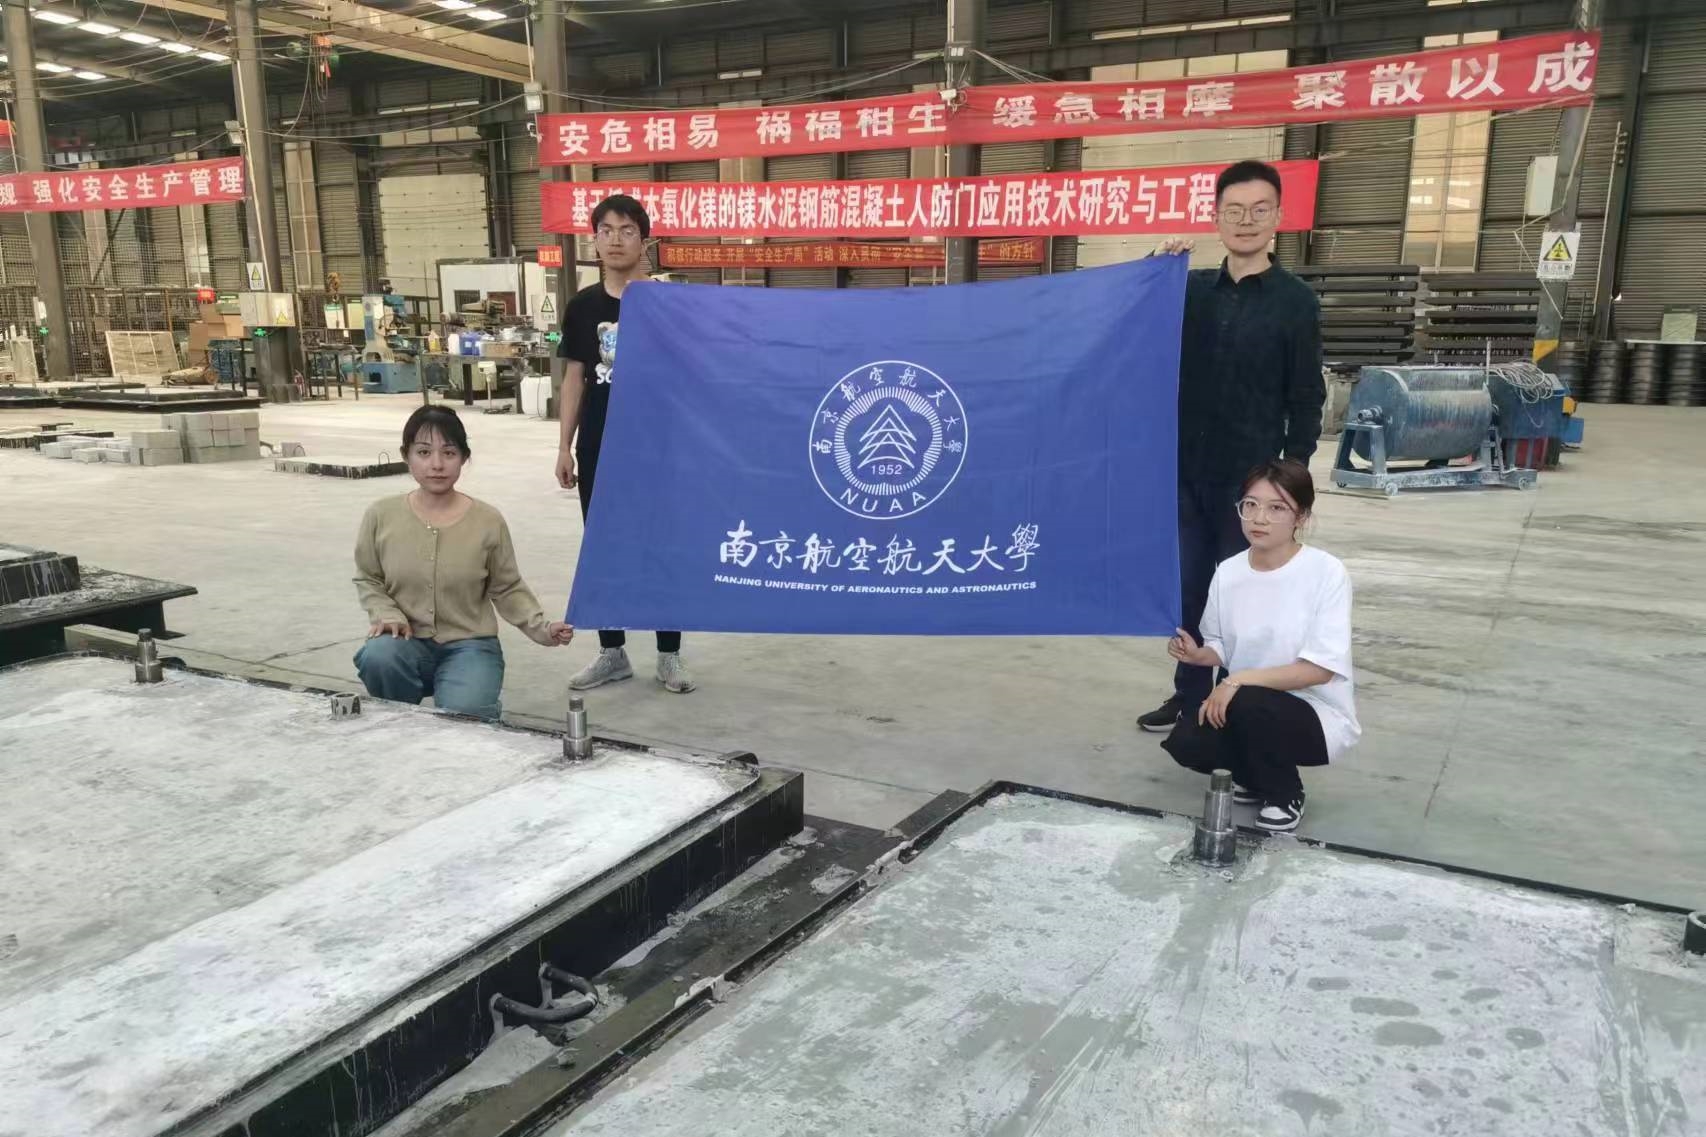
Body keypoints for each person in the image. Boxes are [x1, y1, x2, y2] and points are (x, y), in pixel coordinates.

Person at [1138, 159, 1325, 734]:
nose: (1246, 220)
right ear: (1216, 217)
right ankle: (1188, 696)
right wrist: (1154, 267)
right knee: (1190, 588)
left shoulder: (1296, 302)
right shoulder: (1188, 289)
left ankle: (1236, 699)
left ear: (1278, 217)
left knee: (1243, 593)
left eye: (1259, 210)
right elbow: (1134, 322)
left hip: (1252, 483)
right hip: (1185, 472)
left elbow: (1306, 394)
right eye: (1234, 210)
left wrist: (1291, 479)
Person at [1159, 459, 1358, 832]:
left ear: (1301, 516)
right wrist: (1198, 655)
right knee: (1187, 742)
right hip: (1246, 702)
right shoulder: (1229, 571)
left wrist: (1236, 681)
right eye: (1250, 505)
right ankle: (1255, 777)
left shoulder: (1325, 572)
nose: (1259, 518)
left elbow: (1320, 669)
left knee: (1249, 702)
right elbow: (1221, 645)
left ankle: (1285, 794)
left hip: (1314, 714)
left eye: (1276, 508)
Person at [554, 193, 695, 694]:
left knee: (663, 548)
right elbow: (574, 378)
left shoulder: (668, 304)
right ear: (594, 240)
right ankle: (611, 652)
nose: (616, 239)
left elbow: (694, 375)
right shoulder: (582, 307)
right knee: (603, 547)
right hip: (600, 446)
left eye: (627, 230)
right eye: (606, 230)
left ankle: (669, 655)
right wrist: (564, 445)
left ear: (645, 241)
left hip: (659, 448)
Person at [355, 405, 574, 720]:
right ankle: (399, 722)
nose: (437, 464)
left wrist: (543, 628)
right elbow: (368, 578)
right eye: (424, 452)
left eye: (449, 453)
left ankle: (470, 692)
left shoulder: (488, 520)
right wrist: (386, 614)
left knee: (466, 717)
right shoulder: (381, 515)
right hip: (405, 642)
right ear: (406, 456)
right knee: (380, 656)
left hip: (470, 645)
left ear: (463, 457)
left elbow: (507, 587)